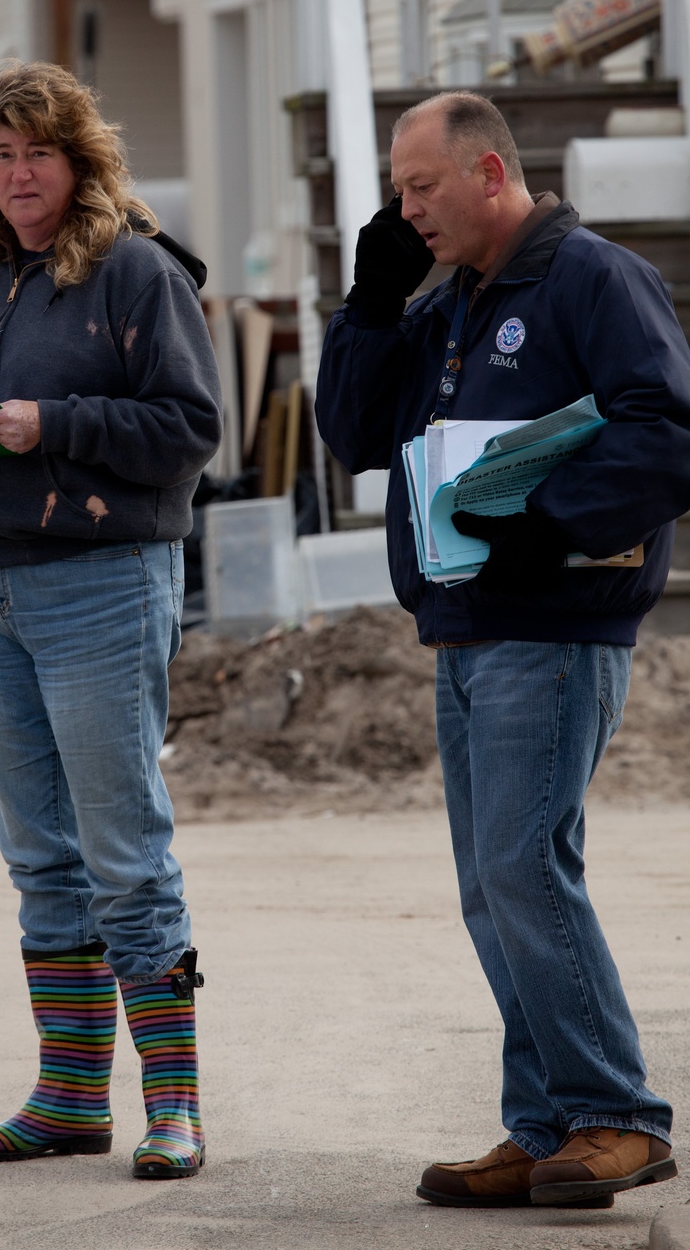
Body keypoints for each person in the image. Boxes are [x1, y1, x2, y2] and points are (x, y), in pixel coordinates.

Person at [316, 90, 689, 1210]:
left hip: (556, 623)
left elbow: (667, 429)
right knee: (492, 887)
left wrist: (552, 524)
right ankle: (542, 1126)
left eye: (421, 187)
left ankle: (615, 1115)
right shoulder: (450, 305)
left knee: (524, 867)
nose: (407, 208)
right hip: (468, 624)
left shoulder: (591, 278)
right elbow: (351, 434)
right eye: (396, 191)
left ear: (488, 175)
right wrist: (370, 304)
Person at [0, 61, 222, 1180]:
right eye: (2, 156)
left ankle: (174, 1108)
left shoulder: (136, 273)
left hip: (102, 583)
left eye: (39, 152)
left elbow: (189, 426)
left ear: (81, 161)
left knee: (124, 850)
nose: (19, 173)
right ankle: (71, 1098)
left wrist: (49, 423)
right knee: (38, 851)